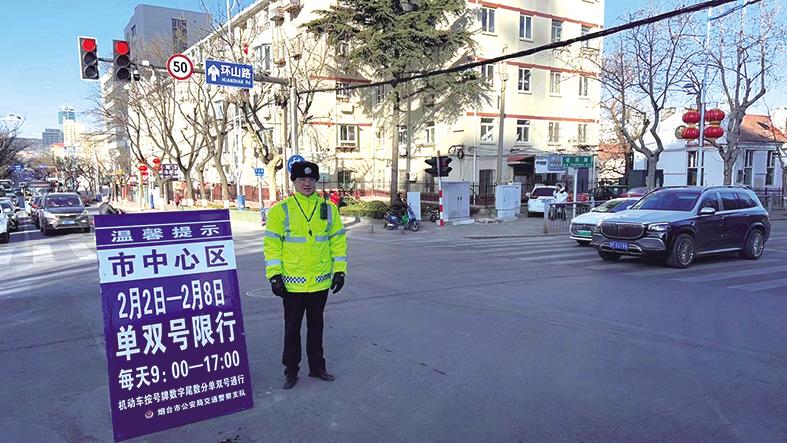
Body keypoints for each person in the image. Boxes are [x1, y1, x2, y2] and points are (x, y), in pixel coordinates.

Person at [263, 161, 348, 390]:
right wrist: (274, 276)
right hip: (292, 284)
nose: (307, 183)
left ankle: (317, 367)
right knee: (291, 329)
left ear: (316, 180)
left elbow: (337, 240)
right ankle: (291, 371)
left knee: (316, 326)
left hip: (320, 282)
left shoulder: (328, 208)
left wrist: (339, 271)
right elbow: (272, 245)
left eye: (311, 179)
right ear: (294, 182)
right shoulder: (281, 210)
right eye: (302, 179)